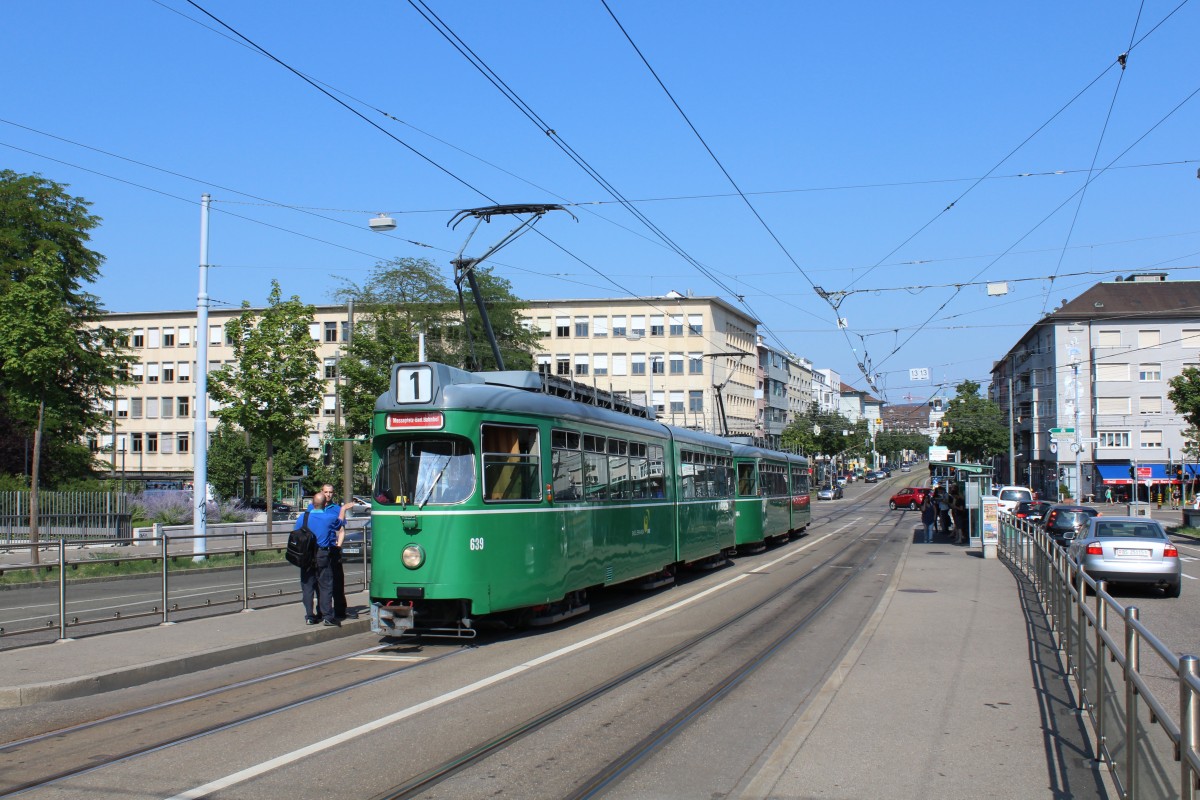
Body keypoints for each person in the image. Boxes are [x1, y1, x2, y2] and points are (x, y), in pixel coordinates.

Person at [295, 490, 346, 627]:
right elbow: (339, 524)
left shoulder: (303, 518)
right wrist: (343, 509)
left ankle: (309, 616)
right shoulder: (329, 517)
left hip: (306, 555)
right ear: (325, 504)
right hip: (322, 554)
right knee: (325, 585)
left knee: (307, 586)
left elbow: (296, 533)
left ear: (312, 503)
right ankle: (327, 616)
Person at [312, 484, 358, 620]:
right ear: (322, 492)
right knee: (320, 582)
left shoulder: (337, 509)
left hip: (333, 548)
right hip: (318, 550)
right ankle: (322, 610)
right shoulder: (313, 508)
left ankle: (340, 610)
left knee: (337, 581)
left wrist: (338, 545)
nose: (328, 495)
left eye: (331, 492)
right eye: (326, 492)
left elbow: (341, 530)